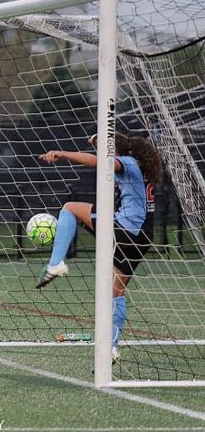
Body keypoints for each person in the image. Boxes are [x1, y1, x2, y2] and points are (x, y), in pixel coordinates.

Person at [36, 132, 163, 361]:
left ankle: (55, 263)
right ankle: (112, 347)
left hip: (124, 227)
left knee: (69, 208)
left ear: (121, 151)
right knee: (116, 292)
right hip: (143, 237)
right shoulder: (142, 167)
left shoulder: (126, 161)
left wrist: (62, 153)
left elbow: (98, 161)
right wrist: (101, 139)